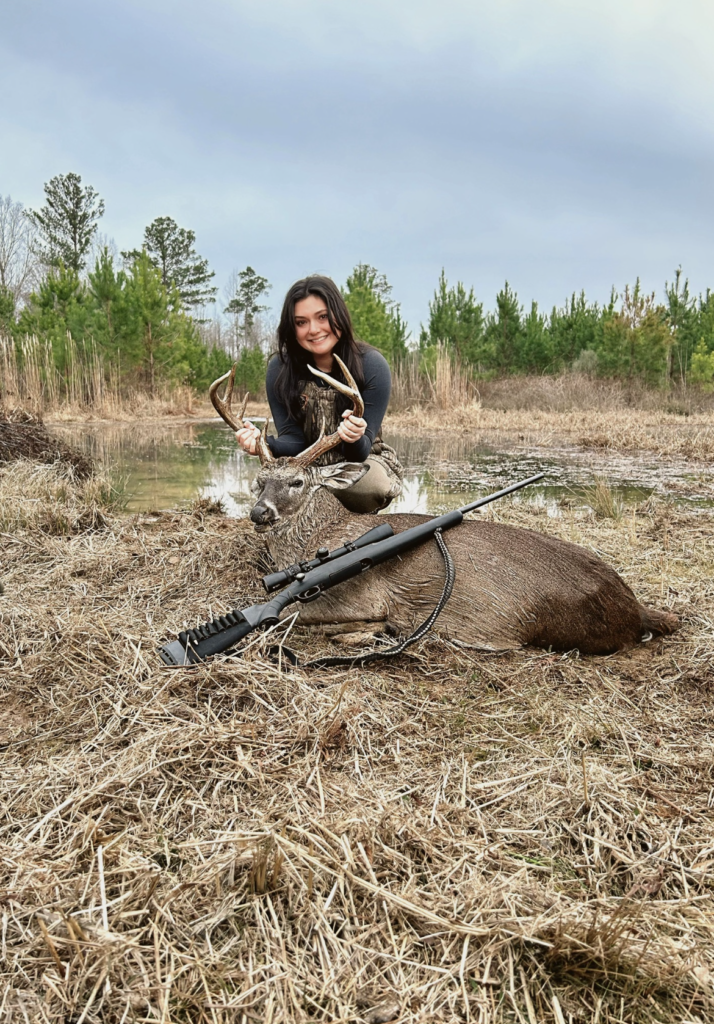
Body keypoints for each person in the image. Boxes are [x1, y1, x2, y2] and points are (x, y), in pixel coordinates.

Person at [235, 275, 403, 513]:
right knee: (273, 485)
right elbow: (294, 440)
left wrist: (353, 436)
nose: (314, 330)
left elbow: (361, 451)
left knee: (373, 486)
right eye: (301, 322)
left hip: (361, 462)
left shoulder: (371, 365)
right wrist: (260, 443)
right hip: (307, 466)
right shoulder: (280, 369)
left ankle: (309, 502)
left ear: (339, 315)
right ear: (291, 328)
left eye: (323, 317)